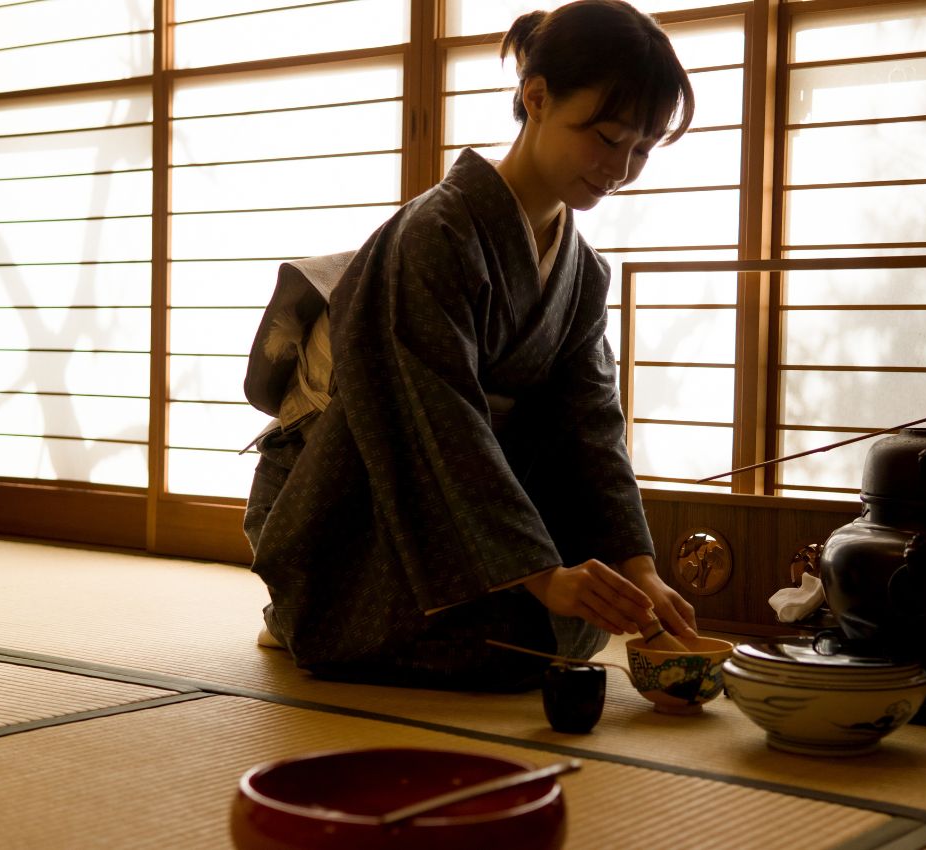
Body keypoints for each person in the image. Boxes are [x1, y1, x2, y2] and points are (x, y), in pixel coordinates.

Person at [242, 0, 698, 691]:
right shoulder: (437, 234)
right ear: (535, 98)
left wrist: (638, 567)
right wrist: (542, 573)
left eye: (640, 149)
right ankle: (299, 607)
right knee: (483, 639)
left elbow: (591, 426)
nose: (621, 167)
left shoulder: (584, 272)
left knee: (562, 624)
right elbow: (436, 418)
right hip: (356, 484)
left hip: (471, 490)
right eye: (606, 137)